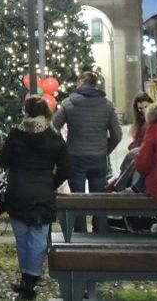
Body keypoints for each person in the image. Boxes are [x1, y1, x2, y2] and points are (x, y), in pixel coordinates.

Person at [0, 96, 71, 299]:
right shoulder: (54, 136)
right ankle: (32, 277)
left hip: (18, 191)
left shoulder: (16, 133)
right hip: (42, 193)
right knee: (38, 239)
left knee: (22, 239)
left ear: (26, 111)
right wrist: (52, 183)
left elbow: (3, 160)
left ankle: (26, 277)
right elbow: (65, 168)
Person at [52, 71, 121, 232]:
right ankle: (101, 231)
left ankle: (80, 232)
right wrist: (106, 149)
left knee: (78, 197)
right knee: (99, 198)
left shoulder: (68, 104)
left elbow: (53, 128)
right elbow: (117, 135)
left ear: (82, 82)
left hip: (75, 156)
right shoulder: (107, 105)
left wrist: (63, 149)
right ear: (95, 84)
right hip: (98, 157)